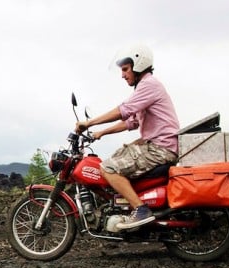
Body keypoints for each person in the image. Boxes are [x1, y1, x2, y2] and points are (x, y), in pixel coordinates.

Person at [75, 45, 179, 229]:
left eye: (125, 69)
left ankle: (140, 209)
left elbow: (123, 110)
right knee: (116, 157)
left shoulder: (149, 85)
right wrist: (101, 133)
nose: (123, 75)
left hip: (160, 149)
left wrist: (89, 123)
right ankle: (122, 207)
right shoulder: (145, 87)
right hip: (157, 146)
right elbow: (131, 122)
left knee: (107, 168)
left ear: (138, 66)